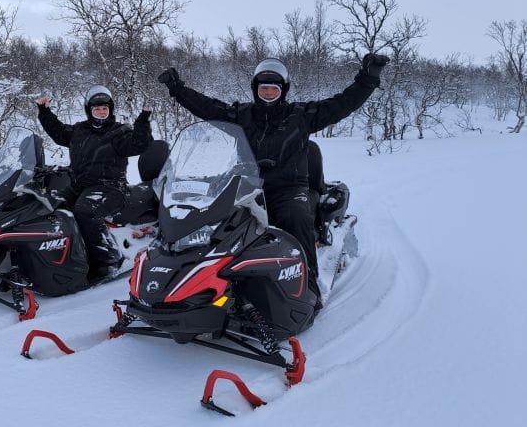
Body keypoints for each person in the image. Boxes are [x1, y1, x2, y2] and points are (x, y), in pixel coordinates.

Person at [158, 54, 390, 304]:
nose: (268, 93)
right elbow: (208, 108)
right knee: (216, 221)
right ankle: (202, 279)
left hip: (289, 188)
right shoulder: (241, 114)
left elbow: (342, 104)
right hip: (247, 186)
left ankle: (308, 286)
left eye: (274, 89)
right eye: (264, 88)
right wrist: (178, 89)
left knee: (295, 217)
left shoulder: (302, 115)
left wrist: (368, 78)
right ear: (256, 90)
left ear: (284, 90)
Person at [36, 86, 154, 281]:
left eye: (104, 108)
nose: (101, 112)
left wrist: (143, 120)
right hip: (80, 185)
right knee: (50, 206)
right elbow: (58, 132)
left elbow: (138, 144)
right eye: (97, 108)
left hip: (111, 187)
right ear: (89, 110)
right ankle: (60, 257)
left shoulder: (119, 132)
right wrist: (44, 111)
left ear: (110, 110)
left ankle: (107, 261)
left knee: (85, 210)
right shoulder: (80, 130)